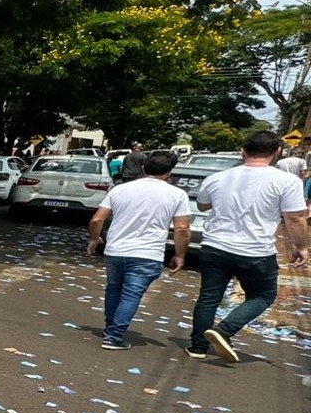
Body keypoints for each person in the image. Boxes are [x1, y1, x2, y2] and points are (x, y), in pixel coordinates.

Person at [187, 131, 310, 363]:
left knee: (209, 297)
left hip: (214, 247)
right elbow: (295, 218)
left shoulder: (217, 178)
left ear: (243, 151)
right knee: (263, 295)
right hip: (255, 252)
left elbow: (203, 206)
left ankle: (197, 347)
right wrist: (300, 247)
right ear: (277, 152)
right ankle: (224, 330)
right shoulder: (287, 181)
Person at [86, 152, 189, 351]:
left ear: (143, 167)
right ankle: (114, 336)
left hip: (115, 250)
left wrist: (94, 239)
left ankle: (111, 328)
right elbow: (182, 228)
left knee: (113, 288)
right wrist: (180, 255)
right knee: (131, 294)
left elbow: (97, 219)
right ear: (169, 172)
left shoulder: (120, 189)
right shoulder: (177, 194)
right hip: (147, 253)